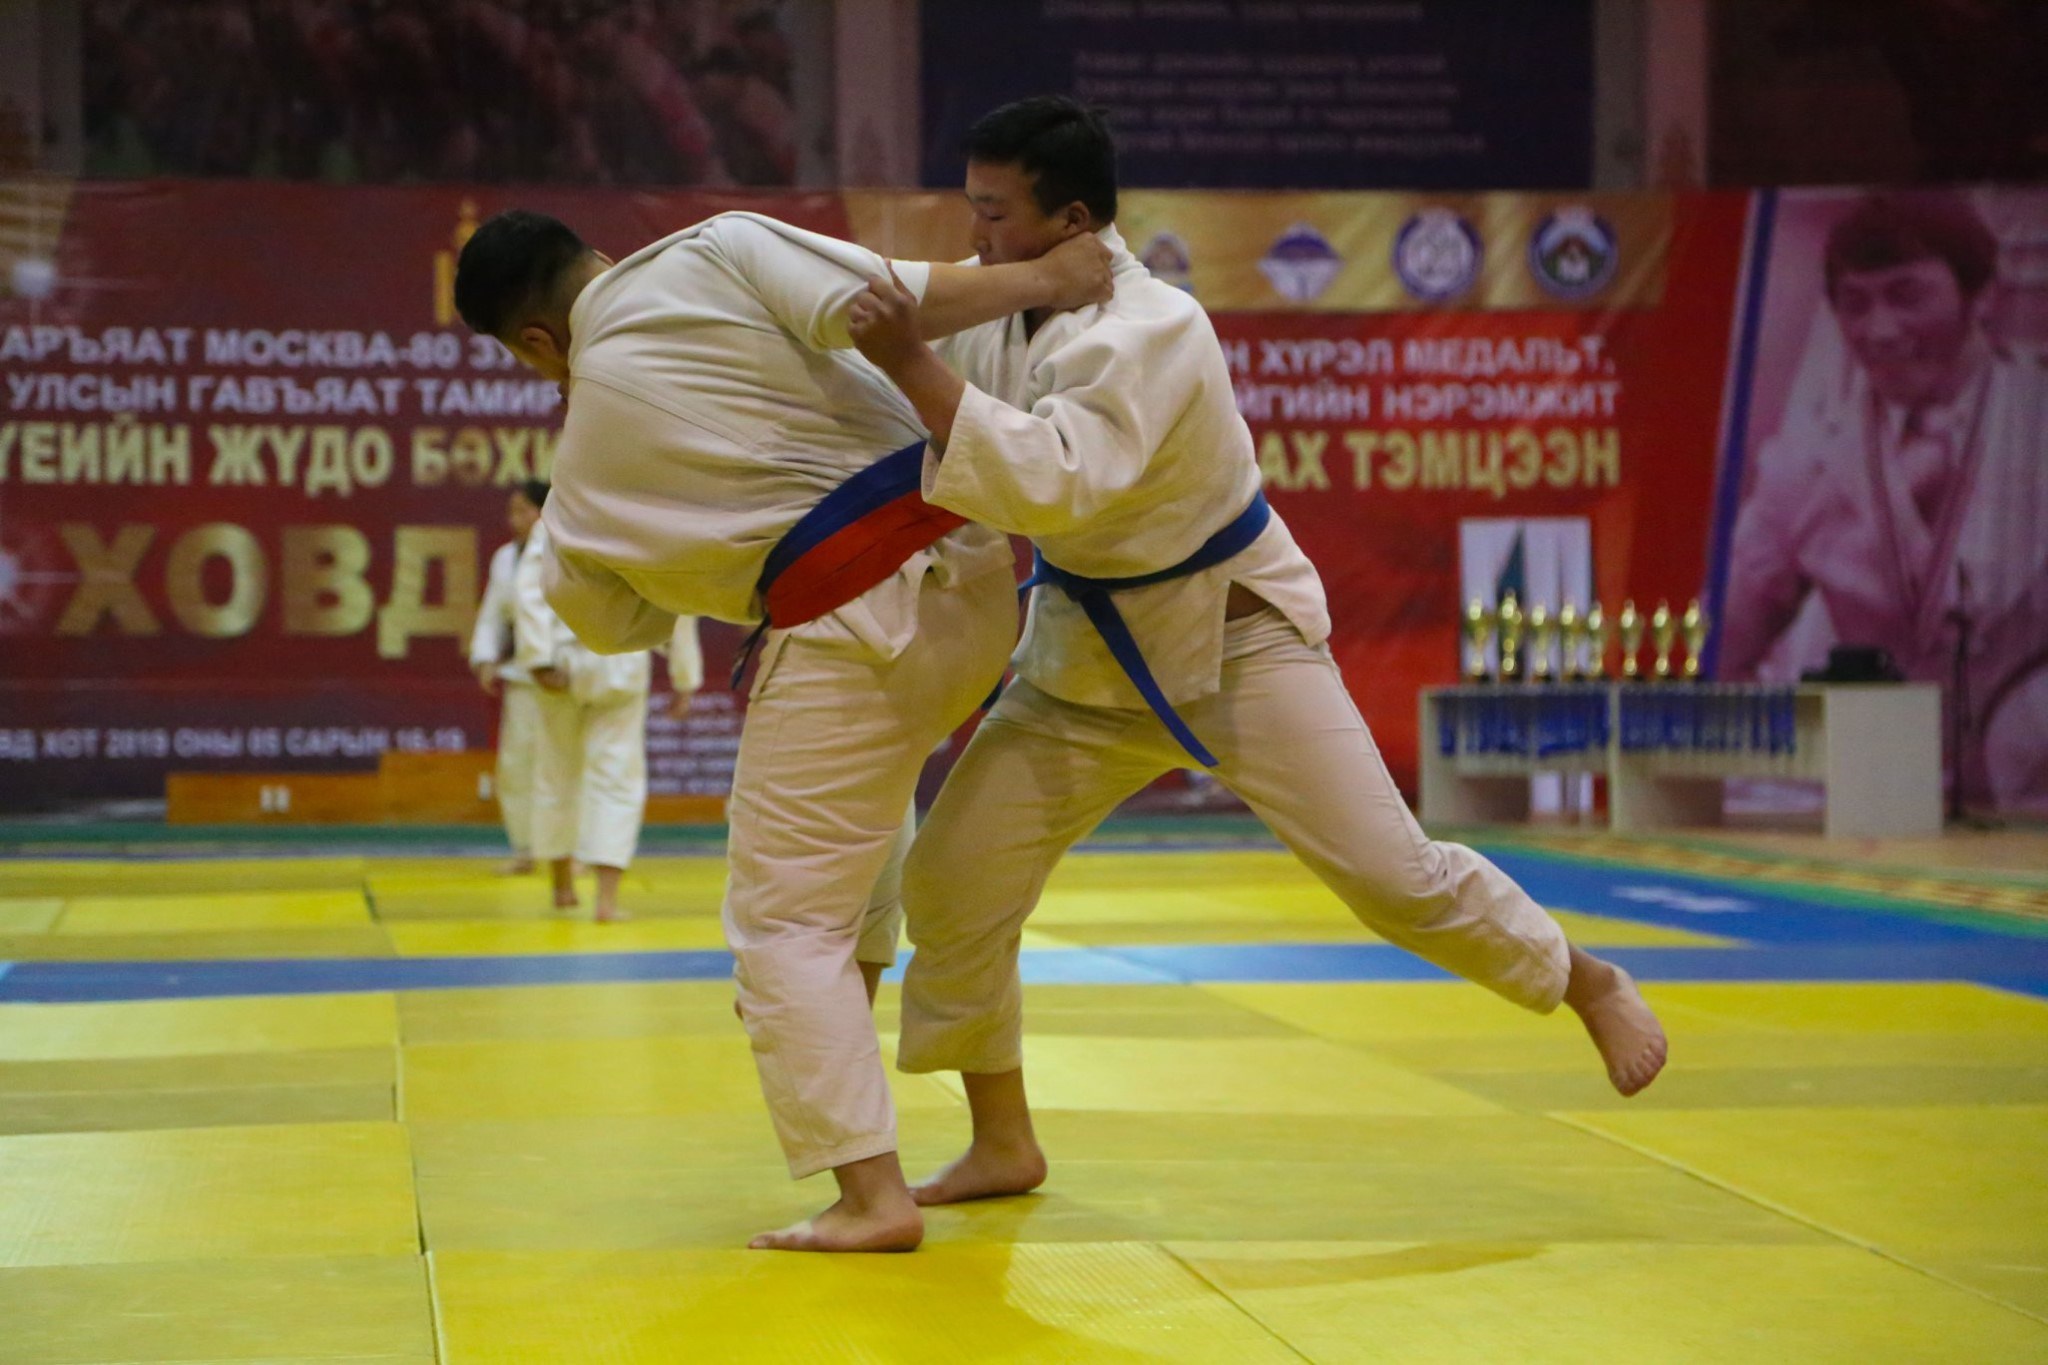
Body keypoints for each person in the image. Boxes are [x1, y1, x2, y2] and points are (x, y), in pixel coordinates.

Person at [844, 97, 1670, 1207]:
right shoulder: (1003, 310)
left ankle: (1587, 981)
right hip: (1084, 659)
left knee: (1393, 878)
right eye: (971, 209)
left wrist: (909, 361)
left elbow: (1052, 481)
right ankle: (1003, 1141)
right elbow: (908, 335)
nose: (975, 235)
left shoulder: (1155, 327)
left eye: (994, 214)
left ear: (1071, 220)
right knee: (953, 882)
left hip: (1236, 642)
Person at [453, 207, 1112, 1251]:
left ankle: (871, 1197)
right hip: (979, 577)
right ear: (599, 256)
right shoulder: (714, 248)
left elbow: (617, 625)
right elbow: (897, 296)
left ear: (535, 343)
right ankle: (999, 1136)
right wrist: (1048, 278)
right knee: (860, 873)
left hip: (854, 636)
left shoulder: (577, 475)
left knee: (782, 930)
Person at [1720, 191, 2048, 810]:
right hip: (1875, 798)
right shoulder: (1805, 461)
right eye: (1855, 303)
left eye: (1907, 295)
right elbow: (1723, 650)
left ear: (1983, 295)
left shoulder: (2037, 422)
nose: (1880, 329)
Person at [508, 480, 650, 923]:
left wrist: (537, 658)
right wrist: (685, 673)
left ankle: (563, 888)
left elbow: (530, 589)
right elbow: (672, 595)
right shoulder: (646, 514)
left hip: (564, 661)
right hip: (622, 660)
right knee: (617, 777)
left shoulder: (560, 510)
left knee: (556, 772)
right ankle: (606, 900)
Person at [469, 482, 546, 874]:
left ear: (544, 512)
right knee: (516, 766)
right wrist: (486, 657)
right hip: (522, 674)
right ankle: (525, 849)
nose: (515, 519)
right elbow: (493, 613)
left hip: (568, 674)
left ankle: (575, 853)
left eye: (524, 510)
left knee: (567, 767)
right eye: (512, 511)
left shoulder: (570, 553)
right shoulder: (505, 558)